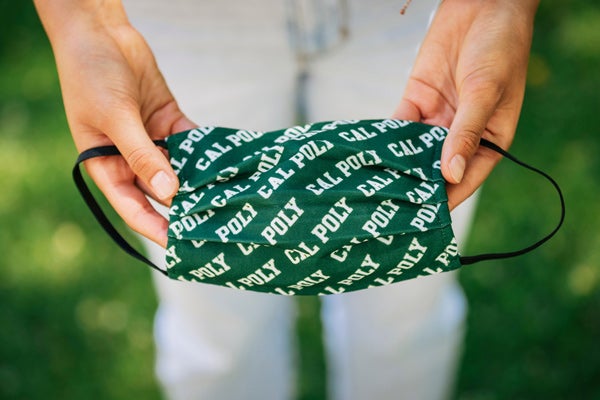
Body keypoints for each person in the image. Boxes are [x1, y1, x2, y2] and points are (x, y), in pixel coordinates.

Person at [34, 0, 539, 399]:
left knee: (402, 321)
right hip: (179, 24)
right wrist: (85, 22)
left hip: (409, 19)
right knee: (217, 333)